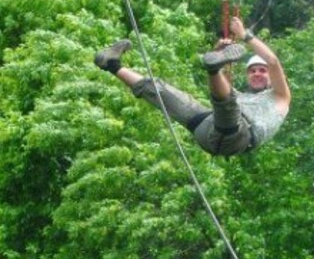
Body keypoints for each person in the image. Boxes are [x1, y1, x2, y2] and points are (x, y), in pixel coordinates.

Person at [94, 16, 291, 156]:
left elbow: (272, 61)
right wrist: (218, 53)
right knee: (161, 91)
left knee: (227, 103)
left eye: (262, 71)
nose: (257, 73)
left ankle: (212, 67)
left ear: (272, 77)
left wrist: (245, 35)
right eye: (253, 70)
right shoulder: (242, 96)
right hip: (207, 129)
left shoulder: (280, 97)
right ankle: (111, 64)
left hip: (237, 137)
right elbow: (220, 93)